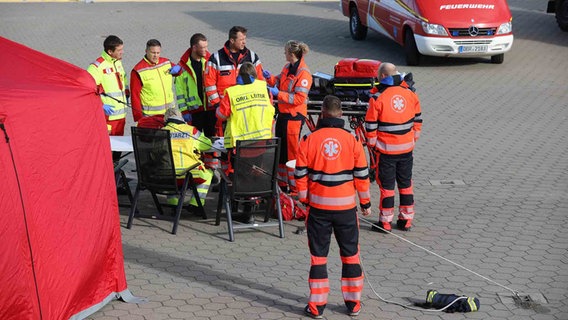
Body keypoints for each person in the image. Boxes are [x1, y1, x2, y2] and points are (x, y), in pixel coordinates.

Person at [294, 95, 371, 319]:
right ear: (342, 115)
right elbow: (362, 175)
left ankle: (317, 306)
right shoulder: (352, 139)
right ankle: (353, 303)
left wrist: (304, 198)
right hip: (346, 209)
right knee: (351, 255)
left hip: (318, 209)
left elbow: (300, 173)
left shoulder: (309, 140)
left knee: (318, 257)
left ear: (322, 114)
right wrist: (365, 203)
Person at [364, 62, 422, 232]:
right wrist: (412, 140)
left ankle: (385, 223)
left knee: (387, 188)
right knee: (406, 185)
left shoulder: (377, 98)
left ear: (382, 76)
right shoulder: (410, 94)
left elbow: (370, 127)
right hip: (406, 150)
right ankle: (406, 221)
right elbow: (418, 120)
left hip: (386, 151)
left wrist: (373, 147)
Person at [216, 62, 274, 224]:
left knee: (235, 175)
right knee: (255, 175)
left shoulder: (233, 92)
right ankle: (250, 211)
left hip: (239, 147)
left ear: (240, 77)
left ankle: (234, 209)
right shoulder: (264, 89)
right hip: (262, 145)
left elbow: (221, 114)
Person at [264, 40, 313, 193]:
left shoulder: (303, 73)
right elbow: (279, 81)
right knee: (281, 152)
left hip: (294, 117)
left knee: (291, 154)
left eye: (285, 52)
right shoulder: (288, 67)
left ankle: (294, 188)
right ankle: (282, 184)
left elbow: (298, 98)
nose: (284, 54)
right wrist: (270, 78)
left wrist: (278, 94)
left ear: (292, 55)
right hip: (284, 115)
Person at [205, 25, 265, 135]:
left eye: (245, 39)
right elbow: (209, 84)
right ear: (232, 40)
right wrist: (218, 105)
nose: (244, 42)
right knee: (227, 142)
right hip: (226, 109)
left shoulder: (252, 57)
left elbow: (260, 81)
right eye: (241, 39)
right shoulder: (216, 58)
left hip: (247, 108)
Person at [162, 107, 213, 207]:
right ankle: (196, 203)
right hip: (190, 174)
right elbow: (207, 145)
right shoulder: (191, 131)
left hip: (166, 176)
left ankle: (173, 202)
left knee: (169, 169)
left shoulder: (161, 132)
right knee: (208, 174)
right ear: (181, 118)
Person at [87, 35, 128, 138]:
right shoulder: (96, 67)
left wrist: (127, 94)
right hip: (107, 118)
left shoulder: (117, 62)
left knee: (118, 150)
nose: (122, 52)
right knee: (108, 149)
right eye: (119, 50)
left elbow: (123, 80)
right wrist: (100, 105)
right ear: (110, 52)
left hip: (121, 116)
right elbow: (88, 90)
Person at [130, 39, 178, 126]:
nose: (156, 55)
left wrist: (179, 69)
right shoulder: (138, 70)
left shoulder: (166, 62)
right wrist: (139, 117)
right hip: (151, 116)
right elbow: (135, 95)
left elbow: (178, 71)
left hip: (169, 113)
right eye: (153, 53)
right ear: (146, 51)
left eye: (158, 53)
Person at [175, 33, 213, 135]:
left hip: (210, 110)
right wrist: (184, 111)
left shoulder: (210, 62)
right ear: (194, 47)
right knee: (195, 143)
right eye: (203, 47)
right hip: (194, 112)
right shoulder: (182, 67)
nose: (206, 50)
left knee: (213, 142)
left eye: (206, 47)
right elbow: (180, 92)